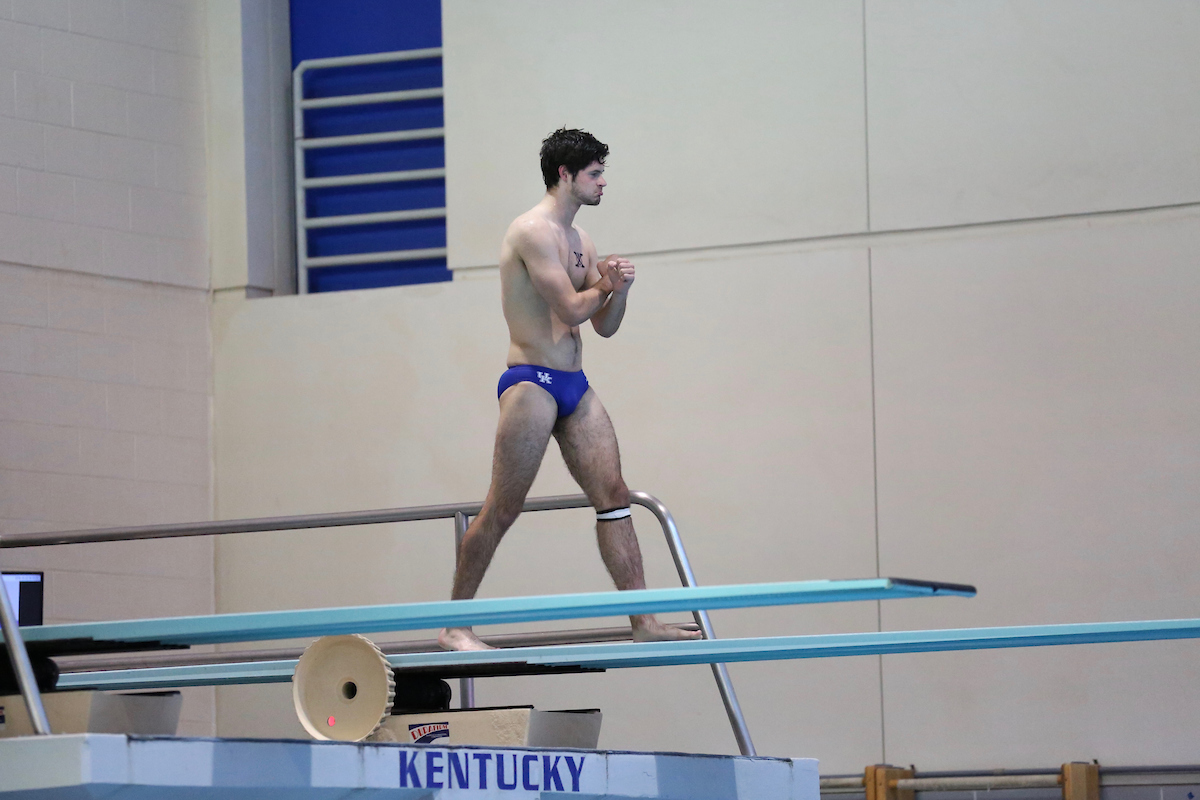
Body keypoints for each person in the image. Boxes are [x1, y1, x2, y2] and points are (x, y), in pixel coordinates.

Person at [438, 128, 704, 651]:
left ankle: (643, 622)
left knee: (615, 497)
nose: (604, 183)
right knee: (503, 508)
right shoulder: (532, 232)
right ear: (565, 174)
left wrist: (618, 292)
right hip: (531, 383)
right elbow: (568, 308)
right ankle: (455, 627)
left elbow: (602, 326)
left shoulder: (583, 244)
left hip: (574, 385)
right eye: (595, 174)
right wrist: (605, 285)